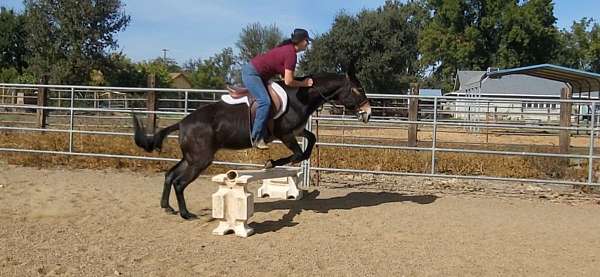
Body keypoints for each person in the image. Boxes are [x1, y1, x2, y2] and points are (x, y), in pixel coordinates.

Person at [241, 28, 314, 149]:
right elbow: (289, 81)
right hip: (252, 74)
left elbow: (284, 76)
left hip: (258, 75)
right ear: (301, 41)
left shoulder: (288, 51)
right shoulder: (291, 55)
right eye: (307, 41)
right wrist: (304, 83)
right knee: (265, 102)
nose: (308, 44)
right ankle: (256, 137)